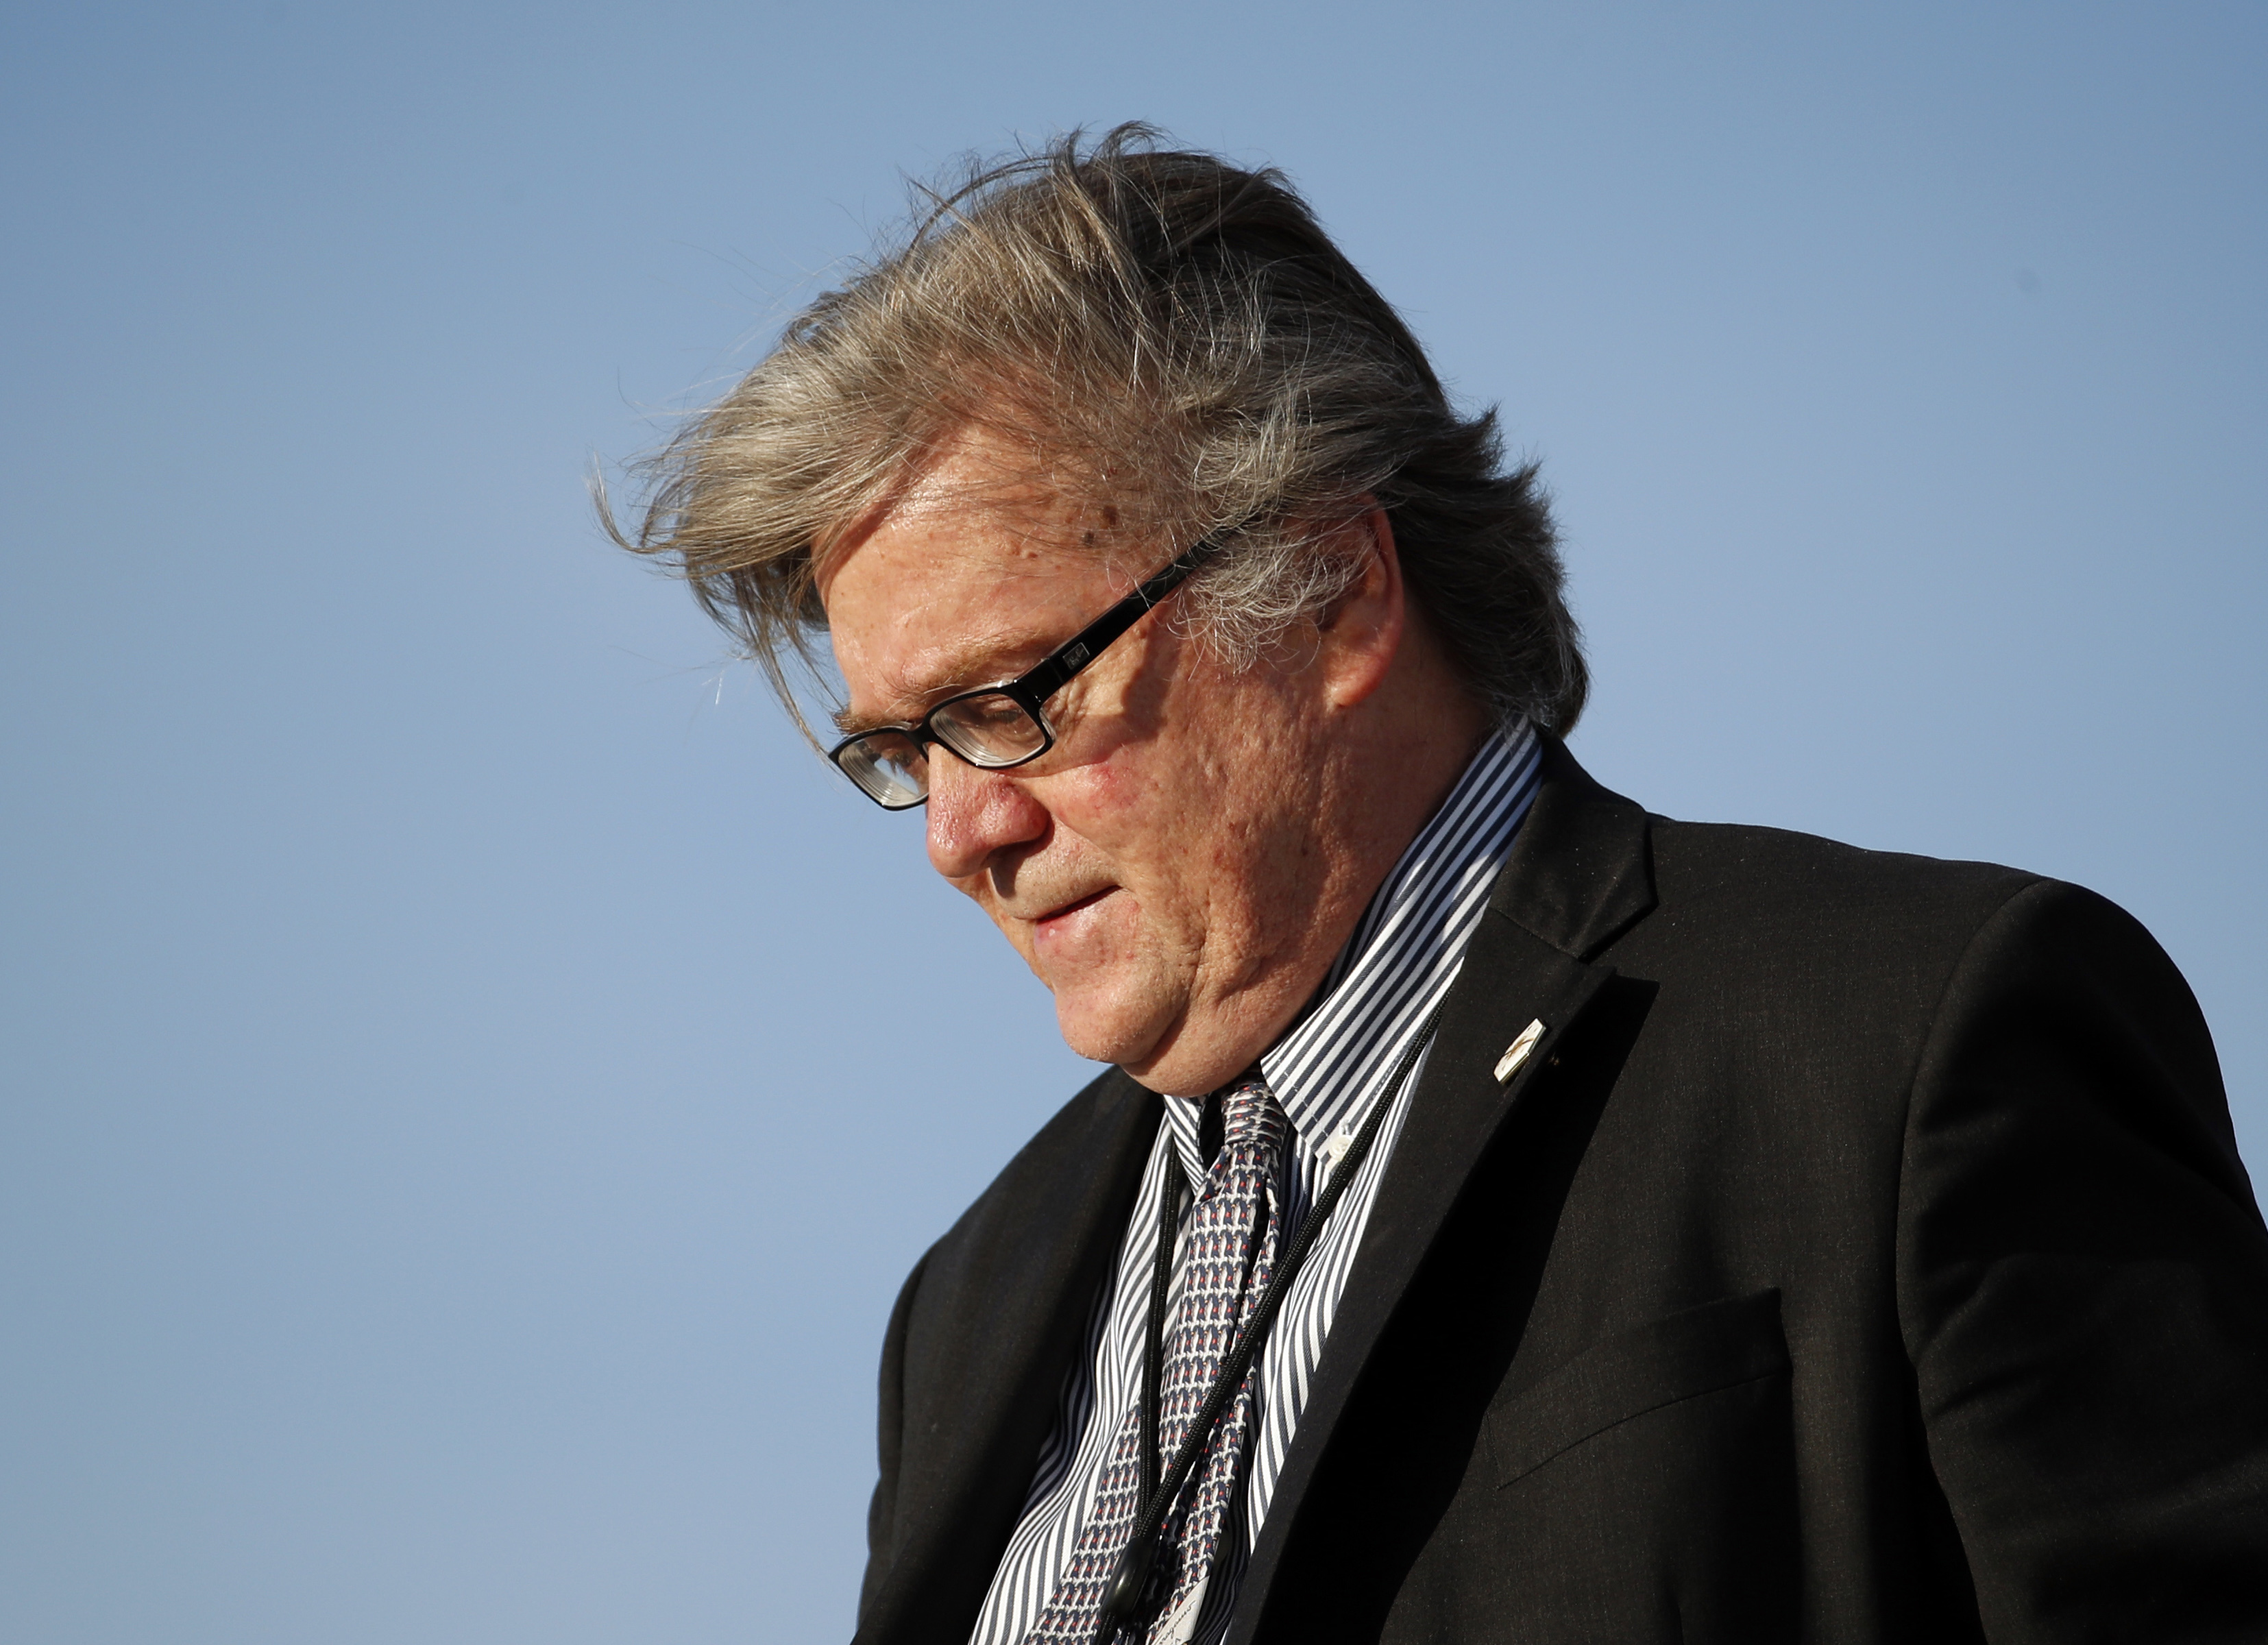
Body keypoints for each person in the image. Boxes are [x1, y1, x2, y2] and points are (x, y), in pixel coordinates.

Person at [608, 127, 2268, 1644]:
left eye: (1008, 705)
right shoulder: (967, 1304)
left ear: (1329, 598)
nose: (957, 835)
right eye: (903, 748)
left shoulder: (1912, 1043)